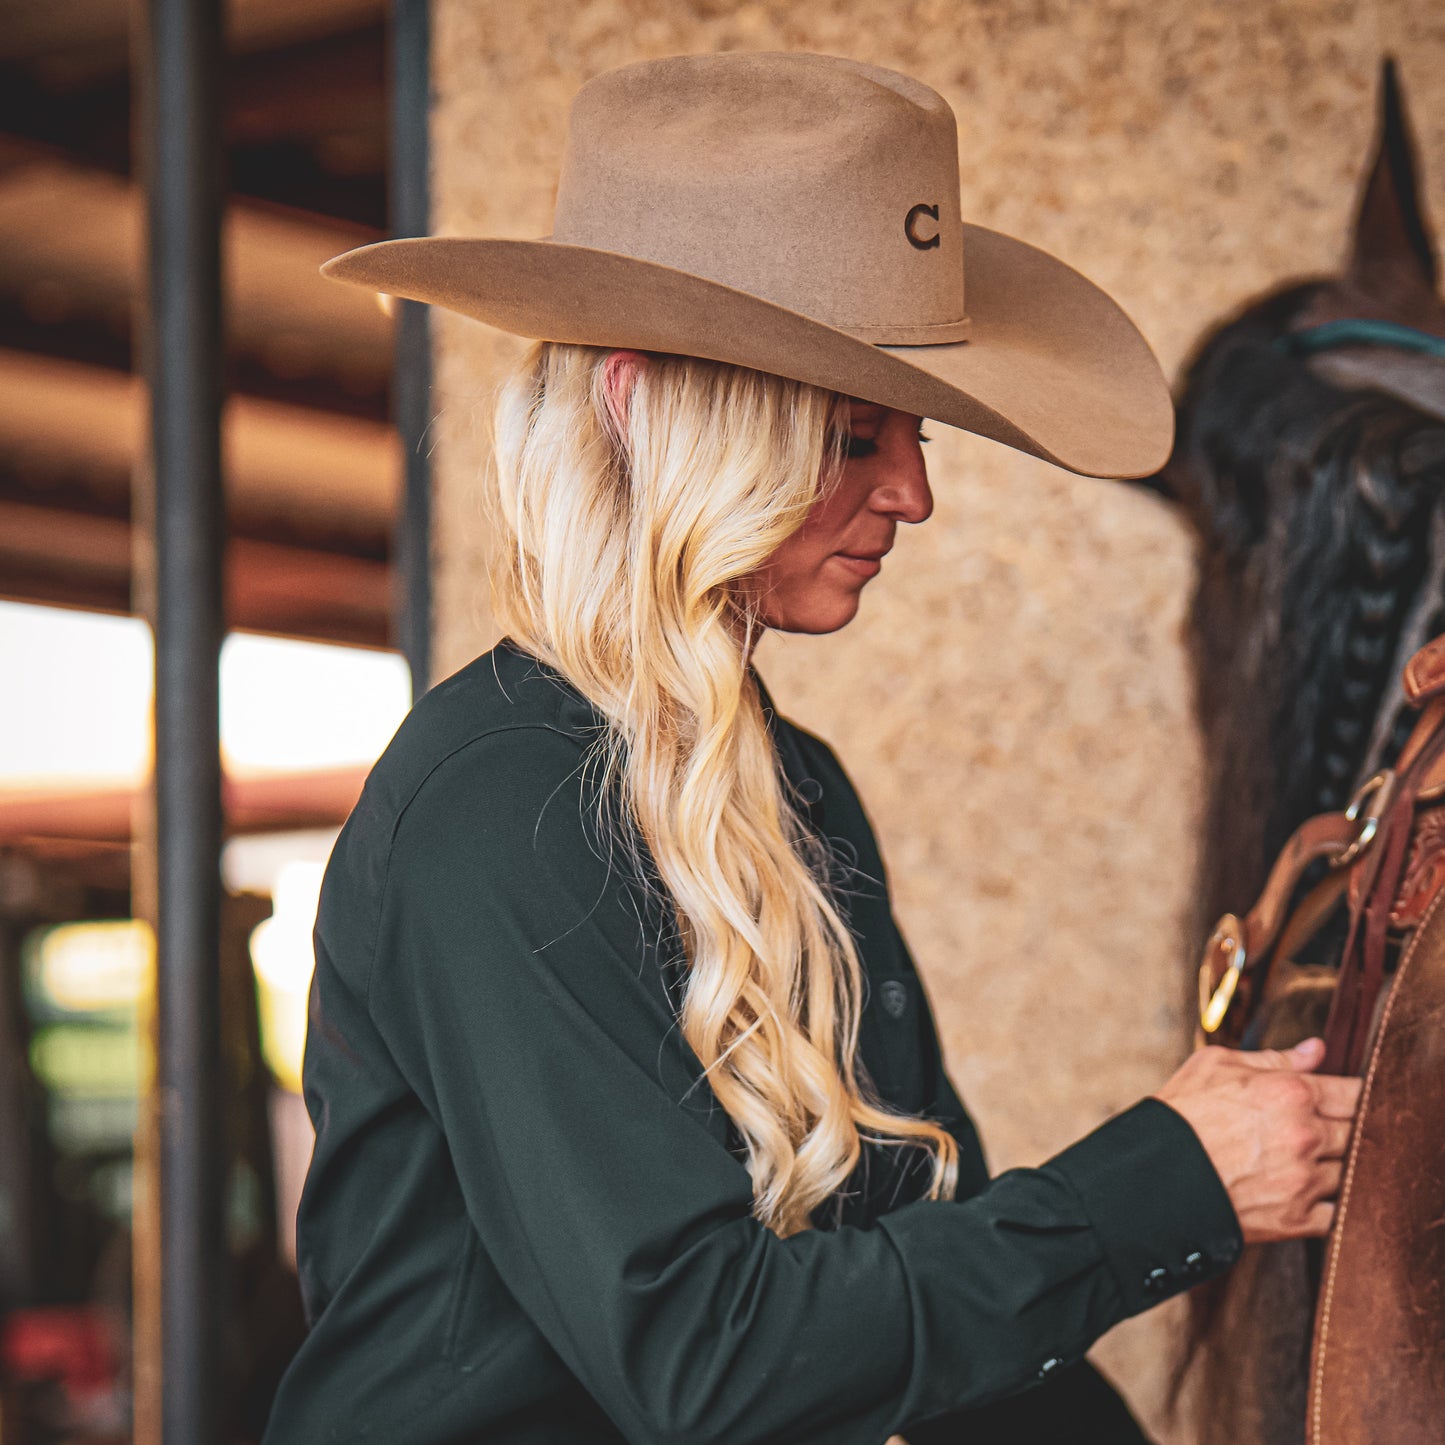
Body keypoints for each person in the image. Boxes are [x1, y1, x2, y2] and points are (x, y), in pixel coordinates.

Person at [262, 52, 1361, 1444]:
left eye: (911, 430)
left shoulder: (798, 795)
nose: (912, 492)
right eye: (853, 437)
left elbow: (925, 1282)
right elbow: (703, 1359)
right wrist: (1167, 1177)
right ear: (637, 407)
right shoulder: (498, 810)